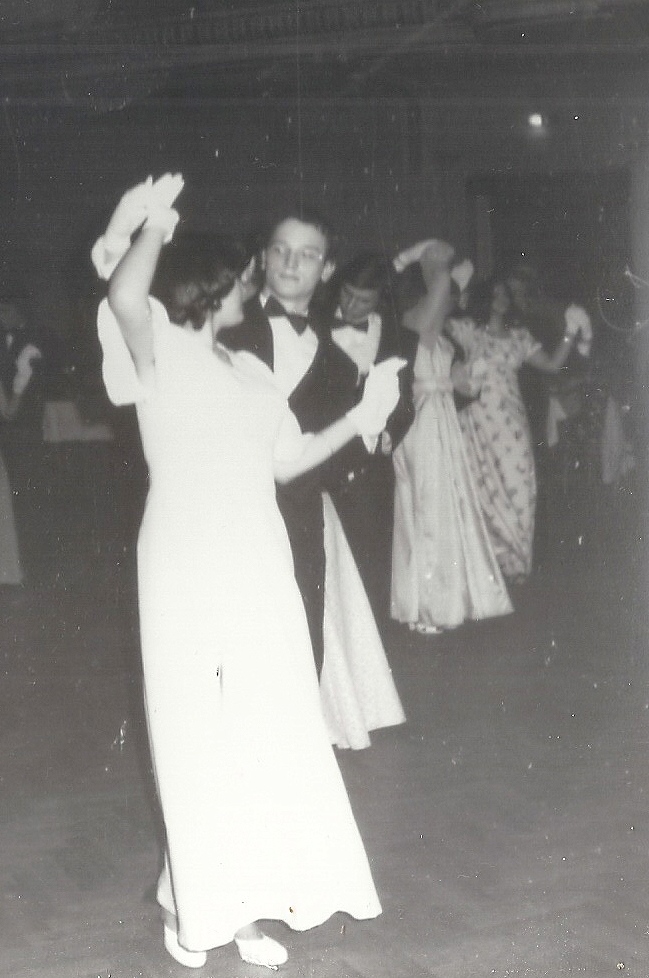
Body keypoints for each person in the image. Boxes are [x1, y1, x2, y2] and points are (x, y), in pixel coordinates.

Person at [91, 174, 403, 970]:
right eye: (241, 276)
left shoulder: (251, 371)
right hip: (186, 556)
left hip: (260, 556)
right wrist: (152, 224)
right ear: (214, 286)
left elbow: (289, 460)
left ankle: (232, 902)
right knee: (194, 729)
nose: (253, 285)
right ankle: (202, 906)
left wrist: (361, 416)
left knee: (265, 726)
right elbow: (124, 292)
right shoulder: (157, 349)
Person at [219, 206, 372, 676]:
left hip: (299, 516)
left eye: (307, 255)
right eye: (281, 250)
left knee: (302, 640)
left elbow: (339, 453)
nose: (290, 263)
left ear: (327, 269)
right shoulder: (221, 328)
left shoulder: (340, 361)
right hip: (226, 511)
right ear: (263, 257)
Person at [389, 240, 513, 635]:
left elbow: (454, 381)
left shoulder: (439, 334)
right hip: (422, 421)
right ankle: (430, 606)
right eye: (449, 293)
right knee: (427, 507)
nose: (455, 300)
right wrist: (425, 255)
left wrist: (467, 379)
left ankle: (443, 598)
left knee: (444, 505)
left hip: (441, 420)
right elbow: (443, 283)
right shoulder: (415, 322)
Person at [448, 275, 592, 582]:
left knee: (521, 483)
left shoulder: (519, 336)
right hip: (476, 420)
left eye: (505, 294)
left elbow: (552, 364)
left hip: (511, 421)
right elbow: (435, 322)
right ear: (484, 298)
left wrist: (570, 330)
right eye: (495, 294)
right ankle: (490, 564)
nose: (501, 299)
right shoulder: (468, 330)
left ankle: (515, 560)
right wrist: (456, 294)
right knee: (481, 488)